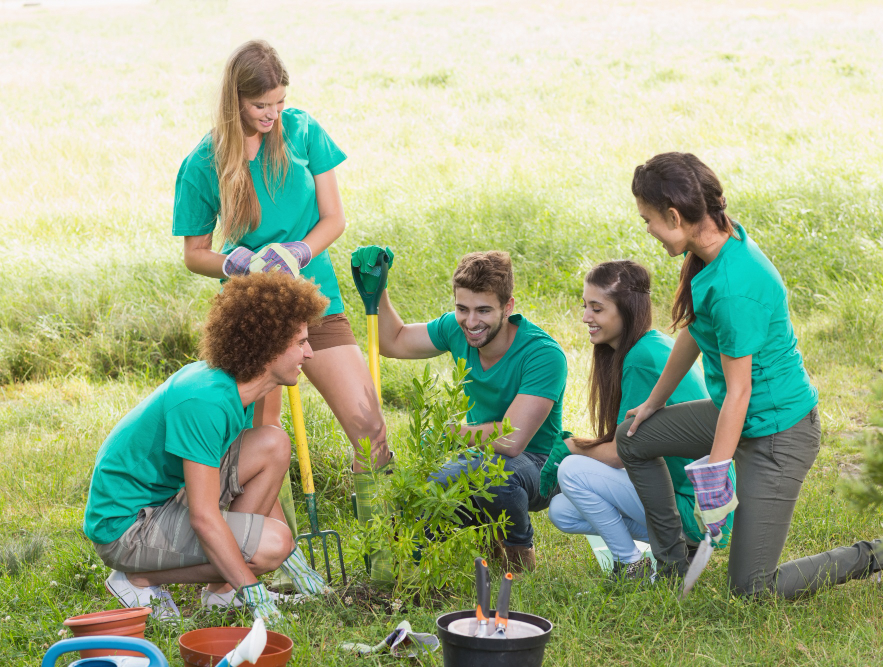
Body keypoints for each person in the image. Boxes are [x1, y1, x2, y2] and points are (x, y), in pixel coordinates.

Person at [618, 152, 883, 597]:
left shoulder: (736, 285)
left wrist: (716, 481)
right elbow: (697, 330)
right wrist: (653, 402)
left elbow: (740, 392)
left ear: (674, 215)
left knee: (752, 588)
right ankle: (670, 563)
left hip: (779, 431)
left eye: (648, 220)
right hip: (736, 414)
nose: (646, 229)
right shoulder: (714, 244)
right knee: (632, 437)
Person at [171, 41, 391, 490]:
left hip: (315, 297)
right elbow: (195, 253)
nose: (273, 115)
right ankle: (266, 547)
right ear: (234, 101)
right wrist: (235, 265)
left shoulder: (302, 132)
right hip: (255, 313)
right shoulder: (202, 163)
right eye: (260, 105)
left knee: (371, 433)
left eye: (280, 102)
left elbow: (334, 219)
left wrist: (300, 252)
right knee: (260, 440)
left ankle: (382, 547)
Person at [83, 273, 331, 621]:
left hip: (163, 501)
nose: (310, 352)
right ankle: (137, 579)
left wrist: (295, 559)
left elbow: (258, 484)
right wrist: (256, 590)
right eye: (301, 342)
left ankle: (222, 594)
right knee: (271, 545)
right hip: (126, 527)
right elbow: (203, 516)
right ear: (269, 345)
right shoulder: (206, 401)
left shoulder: (236, 388)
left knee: (273, 444)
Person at [373, 250, 568, 572]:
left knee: (494, 476)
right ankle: (461, 555)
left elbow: (511, 440)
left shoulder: (543, 355)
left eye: (483, 310)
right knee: (424, 493)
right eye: (462, 309)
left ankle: (520, 555)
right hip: (478, 454)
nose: (471, 322)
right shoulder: (456, 329)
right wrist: (378, 290)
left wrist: (446, 434)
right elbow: (393, 342)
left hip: (539, 464)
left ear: (508, 307)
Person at [542, 260, 734, 582]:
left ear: (626, 310)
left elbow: (620, 453)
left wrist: (571, 446)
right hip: (689, 502)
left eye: (597, 308)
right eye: (585, 306)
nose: (586, 317)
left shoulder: (641, 360)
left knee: (571, 470)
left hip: (693, 508)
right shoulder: (650, 345)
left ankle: (632, 565)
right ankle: (664, 553)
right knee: (563, 511)